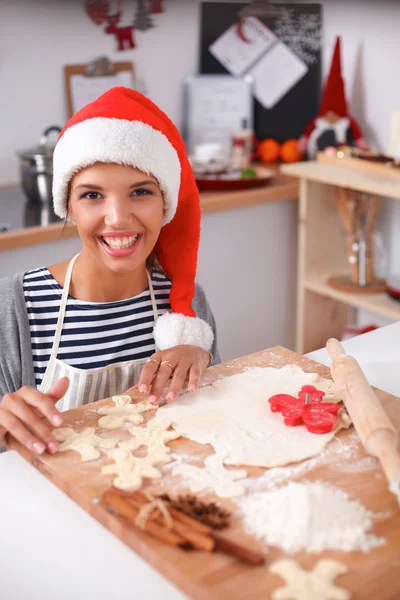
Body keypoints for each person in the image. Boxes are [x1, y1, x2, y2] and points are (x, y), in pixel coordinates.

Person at [0, 87, 219, 456]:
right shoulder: (14, 307)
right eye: (91, 195)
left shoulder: (186, 304)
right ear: (67, 205)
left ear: (166, 202)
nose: (117, 218)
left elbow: (215, 427)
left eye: (140, 192)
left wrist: (210, 369)